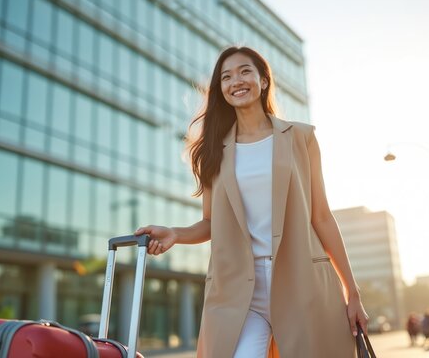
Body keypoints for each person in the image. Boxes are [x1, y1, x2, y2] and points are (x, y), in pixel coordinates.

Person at [134, 46, 369, 357]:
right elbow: (210, 223)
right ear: (220, 89)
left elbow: (322, 217)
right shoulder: (212, 152)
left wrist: (352, 292)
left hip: (301, 281)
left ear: (263, 80)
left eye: (245, 71)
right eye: (226, 77)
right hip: (238, 290)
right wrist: (176, 234)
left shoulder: (301, 138)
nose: (236, 81)